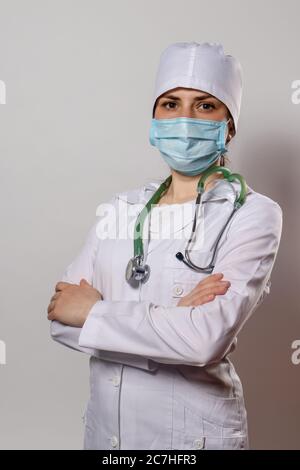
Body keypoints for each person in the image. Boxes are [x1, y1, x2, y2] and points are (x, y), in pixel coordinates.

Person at [47, 42, 283, 450]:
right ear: (155, 118)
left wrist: (94, 312)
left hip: (191, 439)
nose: (185, 119)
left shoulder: (253, 214)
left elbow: (204, 341)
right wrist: (172, 321)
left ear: (228, 125)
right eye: (171, 104)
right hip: (107, 435)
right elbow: (60, 317)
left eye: (206, 106)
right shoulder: (121, 208)